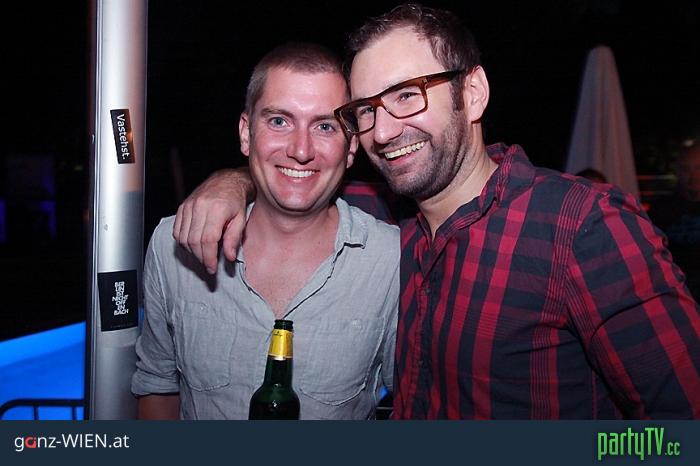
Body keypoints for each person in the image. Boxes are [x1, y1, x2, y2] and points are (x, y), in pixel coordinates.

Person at [173, 4, 700, 419]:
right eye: (366, 110)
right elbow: (296, 177)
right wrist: (232, 182)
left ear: (473, 94)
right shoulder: (382, 218)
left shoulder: (581, 226)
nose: (382, 132)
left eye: (407, 96)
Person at [132, 42, 399, 420]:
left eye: (325, 127)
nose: (301, 150)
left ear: (351, 146)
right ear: (246, 133)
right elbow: (157, 386)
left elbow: (416, 400)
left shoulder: (390, 261)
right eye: (279, 122)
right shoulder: (173, 245)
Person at [648, 142, 700, 299]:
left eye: (698, 168)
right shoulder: (661, 209)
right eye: (686, 169)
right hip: (674, 292)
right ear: (677, 171)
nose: (693, 175)